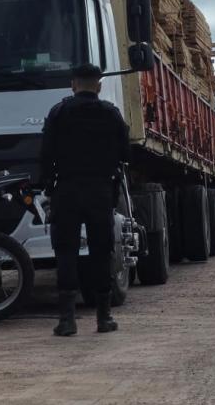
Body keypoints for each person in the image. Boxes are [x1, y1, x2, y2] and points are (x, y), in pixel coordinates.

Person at [39, 63, 130, 336]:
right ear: (99, 86)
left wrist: (48, 187)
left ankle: (67, 320)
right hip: (100, 191)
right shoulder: (111, 115)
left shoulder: (58, 113)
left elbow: (45, 155)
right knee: (101, 252)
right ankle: (104, 318)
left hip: (66, 190)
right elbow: (125, 154)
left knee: (65, 252)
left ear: (73, 84)